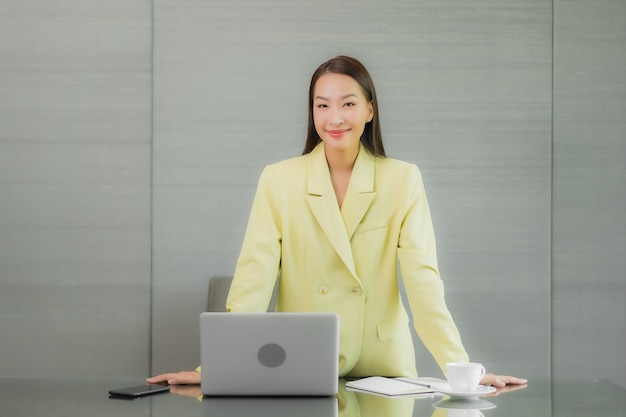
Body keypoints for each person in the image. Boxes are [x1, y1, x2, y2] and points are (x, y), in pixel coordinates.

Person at [148, 56, 527, 388]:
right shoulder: (280, 179)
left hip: (385, 367)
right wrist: (215, 366)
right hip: (299, 360)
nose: (335, 118)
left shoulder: (402, 178)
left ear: (369, 110)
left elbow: (423, 280)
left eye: (348, 103)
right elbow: (254, 279)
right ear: (312, 112)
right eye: (322, 105)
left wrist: (462, 371)